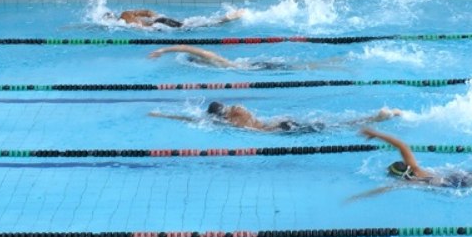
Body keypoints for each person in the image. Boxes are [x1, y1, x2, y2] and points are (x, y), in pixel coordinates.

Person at [150, 102, 401, 134]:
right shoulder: (232, 114)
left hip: (279, 127)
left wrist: (163, 113)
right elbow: (192, 120)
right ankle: (376, 118)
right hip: (279, 126)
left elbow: (192, 120)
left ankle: (377, 118)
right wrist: (163, 113)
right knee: (335, 125)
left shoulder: (229, 119)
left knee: (333, 126)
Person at [147, 44, 337, 71]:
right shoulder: (214, 64)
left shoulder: (211, 59)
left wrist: (164, 50)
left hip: (255, 68)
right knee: (299, 66)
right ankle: (330, 64)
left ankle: (331, 64)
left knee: (300, 67)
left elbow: (188, 48)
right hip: (252, 66)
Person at [115, 8, 244, 29]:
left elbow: (141, 28)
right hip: (160, 20)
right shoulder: (127, 14)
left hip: (159, 25)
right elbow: (148, 12)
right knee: (188, 23)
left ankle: (223, 20)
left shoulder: (124, 21)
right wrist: (156, 17)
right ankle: (222, 19)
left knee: (190, 27)